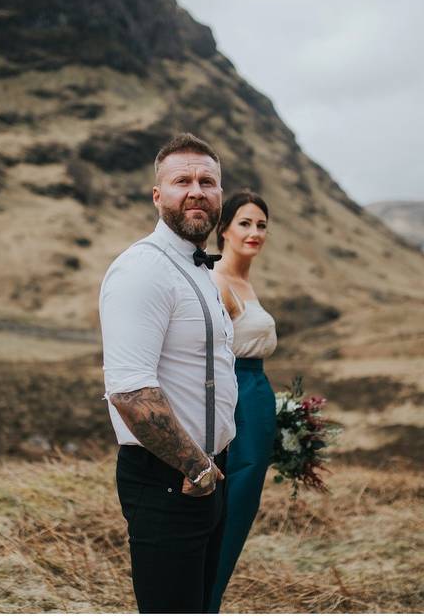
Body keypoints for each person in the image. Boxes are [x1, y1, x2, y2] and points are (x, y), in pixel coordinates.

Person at [99, 133, 239, 614]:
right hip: (170, 477)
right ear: (158, 196)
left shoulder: (199, 268)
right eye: (182, 181)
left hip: (210, 472)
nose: (197, 190)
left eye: (208, 181)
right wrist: (196, 466)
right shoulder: (142, 270)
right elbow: (130, 391)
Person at [206, 191, 277, 613]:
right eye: (245, 223)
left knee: (242, 508)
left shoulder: (246, 282)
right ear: (225, 229)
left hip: (255, 398)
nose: (254, 232)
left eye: (262, 225)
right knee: (229, 511)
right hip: (234, 398)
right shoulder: (217, 280)